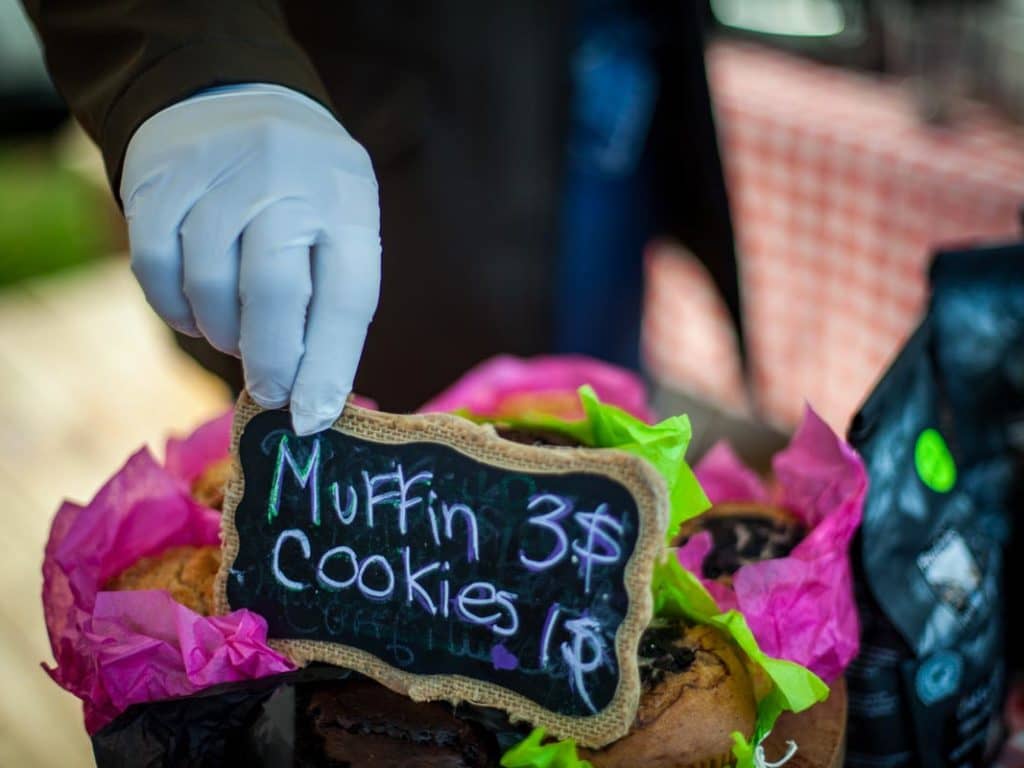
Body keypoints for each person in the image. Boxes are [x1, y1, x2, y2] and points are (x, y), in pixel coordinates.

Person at [22, 1, 741, 434]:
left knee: (589, 415)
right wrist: (190, 60)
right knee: (348, 458)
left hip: (619, 82)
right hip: (387, 125)